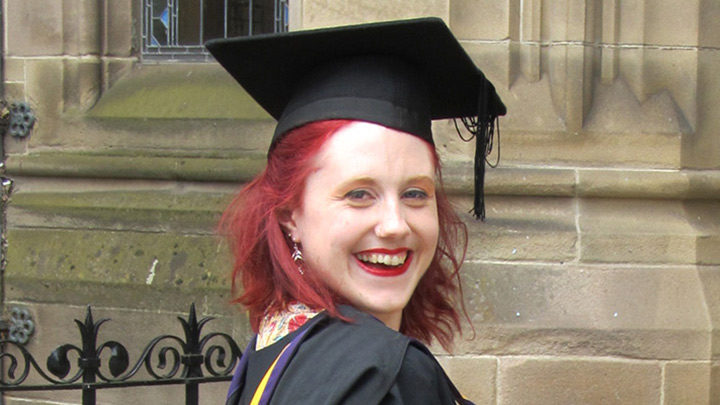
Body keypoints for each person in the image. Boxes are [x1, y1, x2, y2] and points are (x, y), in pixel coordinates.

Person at [206, 17, 505, 405]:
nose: (395, 225)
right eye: (359, 194)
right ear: (289, 215)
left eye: (415, 193)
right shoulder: (386, 376)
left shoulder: (277, 347)